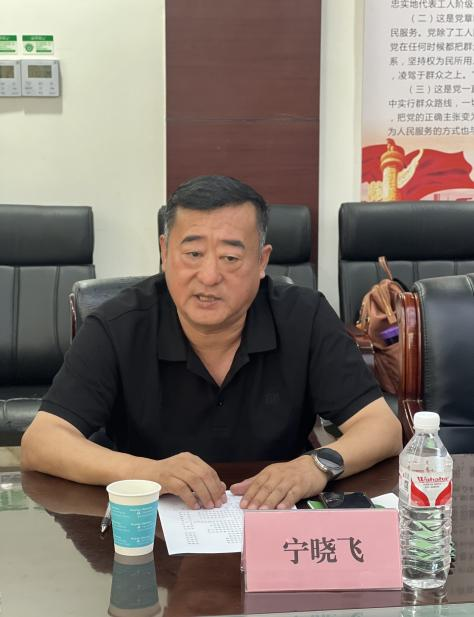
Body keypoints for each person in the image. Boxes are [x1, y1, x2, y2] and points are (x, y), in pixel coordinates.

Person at [21, 175, 402, 510]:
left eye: (230, 257)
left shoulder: (305, 317)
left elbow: (381, 428)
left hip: (271, 523)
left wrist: (314, 466)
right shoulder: (118, 325)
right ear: (164, 253)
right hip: (146, 527)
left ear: (262, 261)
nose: (209, 276)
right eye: (193, 253)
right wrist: (147, 472)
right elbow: (42, 441)